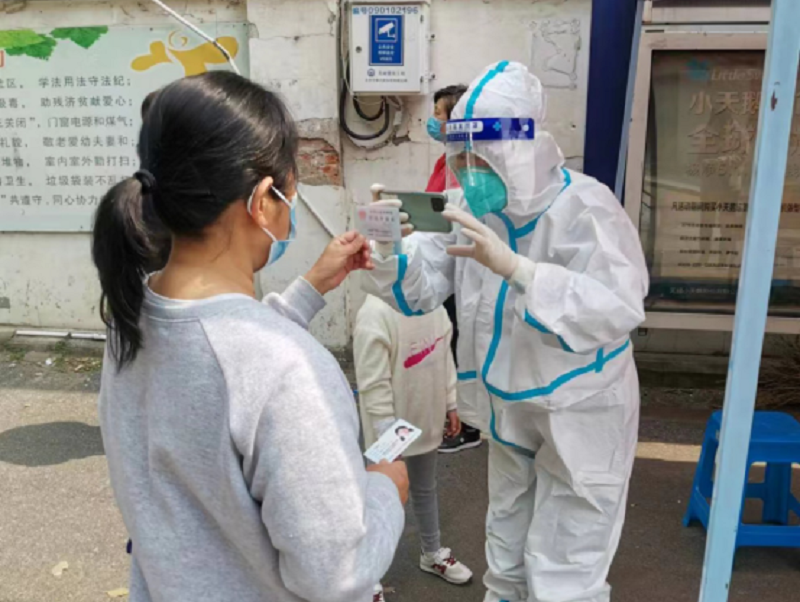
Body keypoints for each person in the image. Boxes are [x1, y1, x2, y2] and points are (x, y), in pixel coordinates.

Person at [92, 71, 409, 602]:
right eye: (289, 195)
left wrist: (310, 288)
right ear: (262, 200)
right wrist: (384, 492)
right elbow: (333, 575)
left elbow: (220, 355)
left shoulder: (129, 318)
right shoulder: (286, 370)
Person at [362, 61, 648, 602]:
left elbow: (618, 304)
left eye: (482, 158)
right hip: (507, 404)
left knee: (567, 560)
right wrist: (390, 250)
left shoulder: (584, 206)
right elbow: (420, 290)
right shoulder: (469, 205)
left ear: (521, 149)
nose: (470, 172)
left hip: (580, 405)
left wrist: (520, 271)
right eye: (461, 158)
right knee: (507, 541)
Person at [355, 294, 473, 601]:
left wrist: (451, 403)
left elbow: (445, 358)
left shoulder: (432, 304)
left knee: (425, 488)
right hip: (388, 430)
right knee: (376, 500)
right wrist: (387, 435)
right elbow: (373, 382)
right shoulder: (375, 312)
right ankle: (368, 579)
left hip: (425, 418)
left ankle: (431, 552)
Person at [426, 84, 483, 453]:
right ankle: (455, 415)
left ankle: (470, 423)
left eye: (438, 115)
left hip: (467, 264)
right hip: (445, 261)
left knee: (465, 342)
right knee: (450, 337)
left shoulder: (473, 164)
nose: (432, 122)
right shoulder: (445, 161)